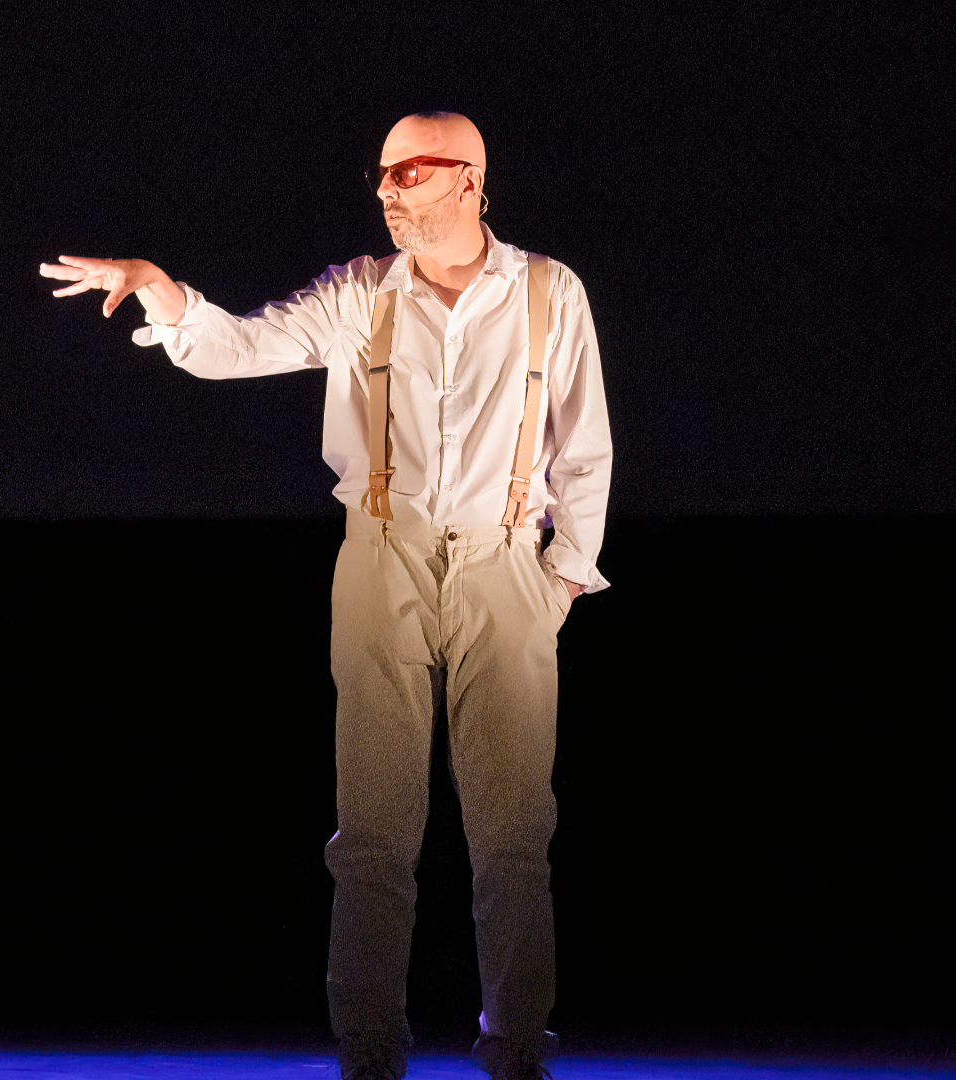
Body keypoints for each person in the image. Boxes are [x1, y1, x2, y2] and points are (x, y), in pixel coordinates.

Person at [41, 112, 610, 1080]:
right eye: (381, 174)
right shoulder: (361, 292)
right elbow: (248, 344)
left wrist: (555, 580)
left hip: (507, 562)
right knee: (374, 828)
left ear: (469, 180)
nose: (386, 190)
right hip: (382, 559)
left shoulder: (549, 293)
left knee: (514, 831)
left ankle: (516, 1045)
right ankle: (370, 1048)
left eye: (410, 173)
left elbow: (584, 446)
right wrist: (167, 297)